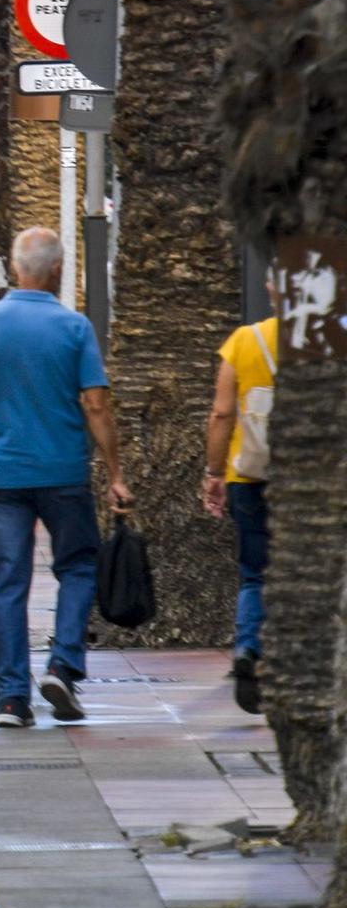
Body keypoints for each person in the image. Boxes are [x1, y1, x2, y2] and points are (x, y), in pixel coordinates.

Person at [0, 228, 132, 729]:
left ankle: (11, 699)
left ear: (11, 268)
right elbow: (95, 404)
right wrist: (116, 473)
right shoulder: (74, 329)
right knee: (77, 568)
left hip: (0, 475)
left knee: (6, 585)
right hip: (63, 473)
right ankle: (63, 665)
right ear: (56, 270)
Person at [202, 287, 279, 715]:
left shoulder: (245, 341)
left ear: (270, 290)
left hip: (249, 475)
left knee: (255, 573)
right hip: (316, 482)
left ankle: (249, 647)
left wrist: (213, 474)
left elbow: (221, 413)